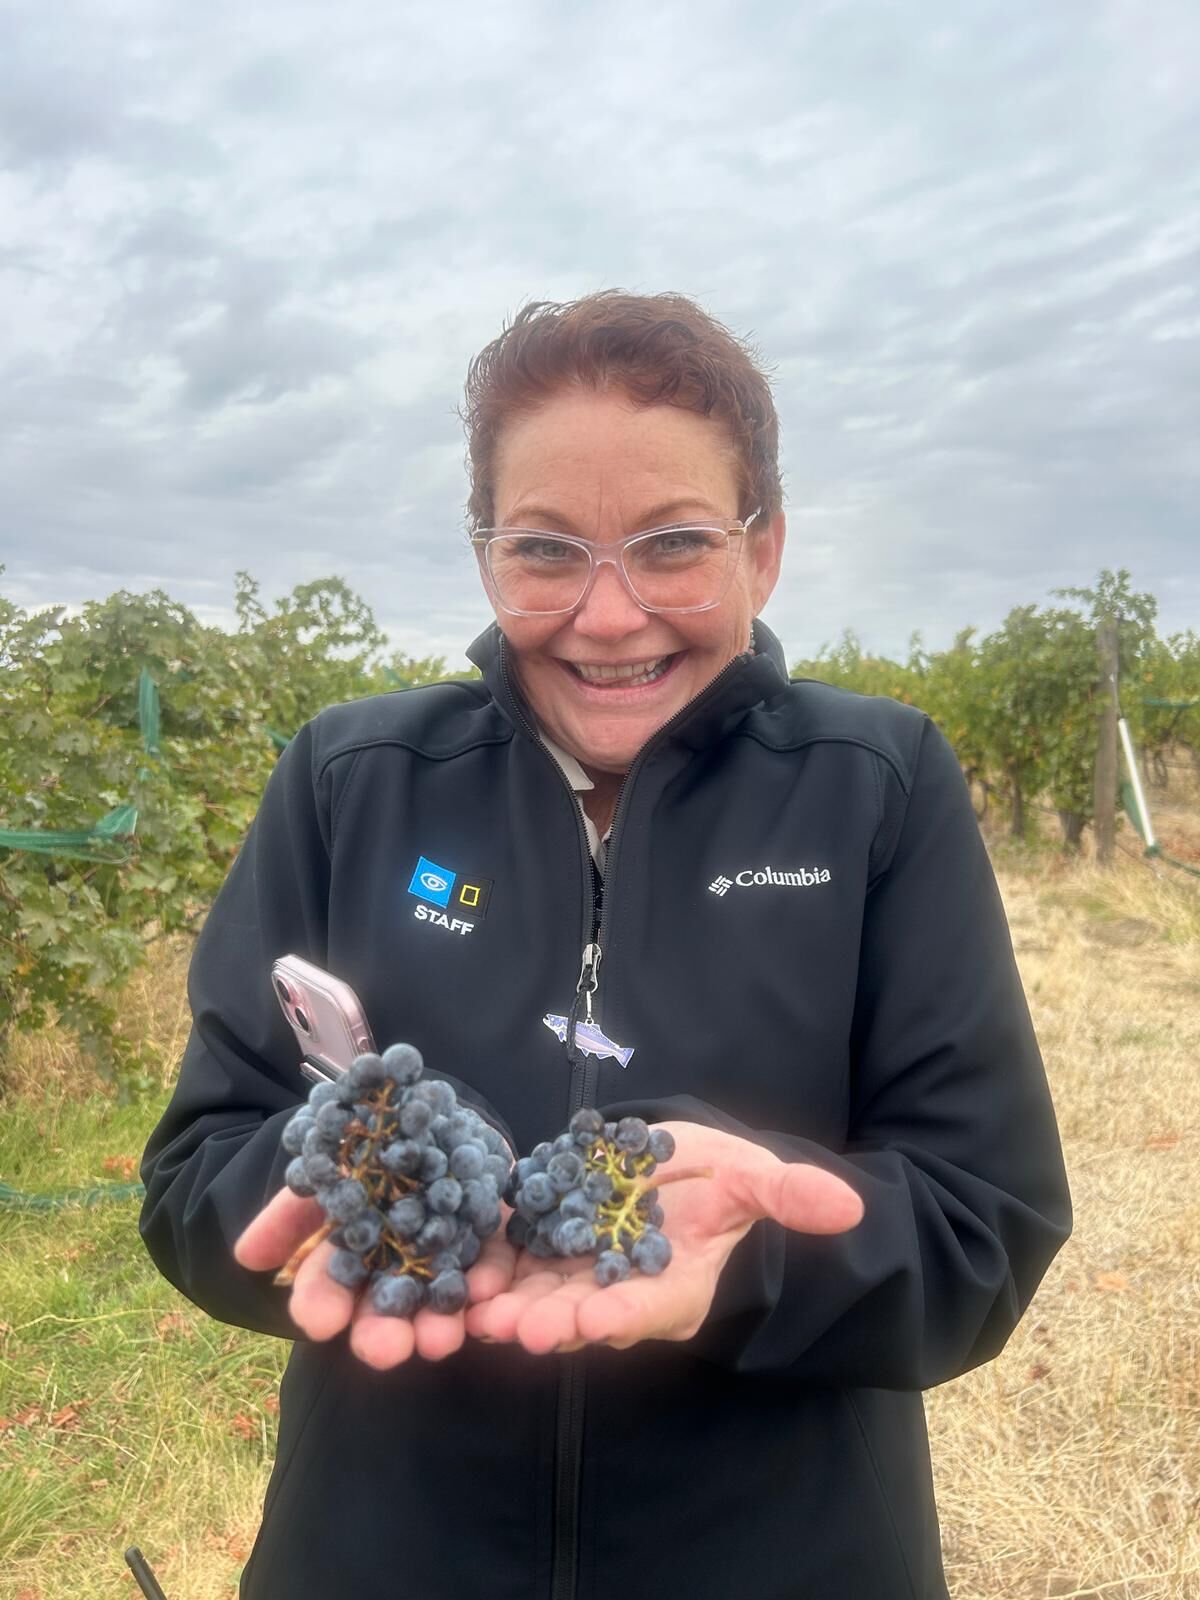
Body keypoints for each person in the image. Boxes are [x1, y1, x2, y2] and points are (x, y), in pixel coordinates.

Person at [139, 290, 1072, 1600]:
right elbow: (197, 1175)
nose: (611, 614)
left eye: (673, 543)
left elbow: (983, 1228)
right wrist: (367, 1192)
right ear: (487, 559)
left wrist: (741, 1258)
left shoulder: (877, 784)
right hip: (381, 1558)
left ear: (765, 550)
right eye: (547, 550)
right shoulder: (354, 782)